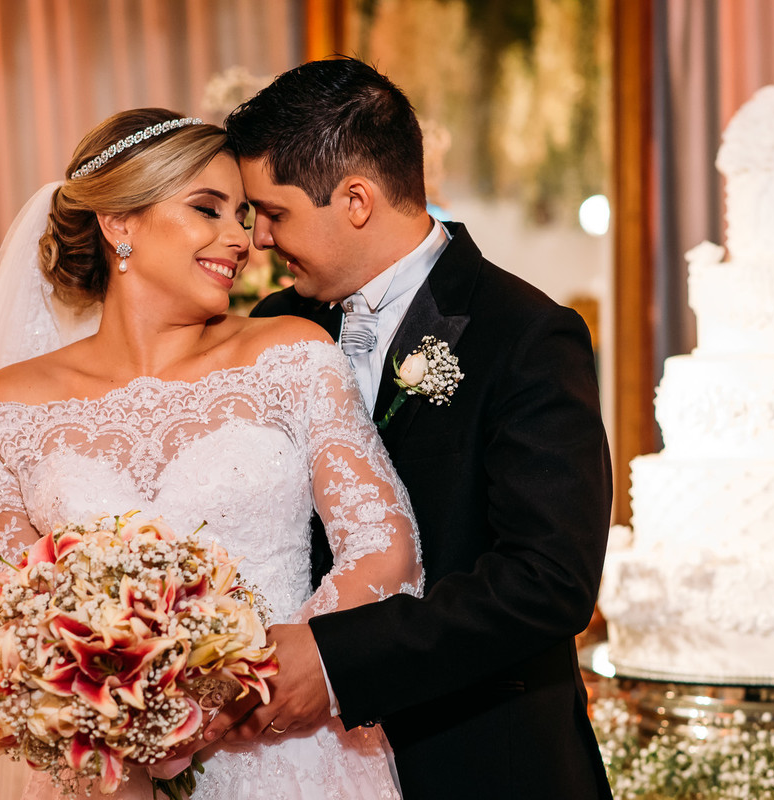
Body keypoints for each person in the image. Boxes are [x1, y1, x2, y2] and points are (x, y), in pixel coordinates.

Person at [0, 108, 422, 800]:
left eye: (245, 214)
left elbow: (384, 547)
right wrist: (116, 713)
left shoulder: (288, 355)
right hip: (112, 777)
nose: (241, 239)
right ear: (120, 224)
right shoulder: (7, 406)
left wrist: (253, 680)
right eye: (208, 210)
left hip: (293, 754)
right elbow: (20, 607)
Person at [206, 58, 615, 800]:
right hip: (300, 769)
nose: (259, 239)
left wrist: (337, 660)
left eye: (275, 211)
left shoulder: (523, 334)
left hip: (479, 762)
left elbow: (547, 582)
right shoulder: (270, 331)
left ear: (355, 199)